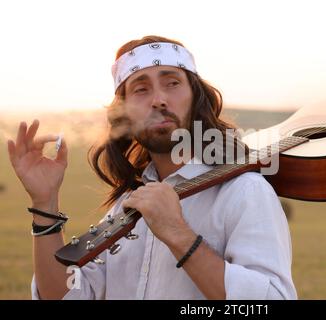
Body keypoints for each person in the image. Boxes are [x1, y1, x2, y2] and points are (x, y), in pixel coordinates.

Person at [7, 35, 298, 300]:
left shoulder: (244, 192)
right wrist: (44, 203)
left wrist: (178, 233)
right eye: (141, 89)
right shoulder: (127, 205)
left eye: (172, 83)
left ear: (195, 96)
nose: (159, 99)